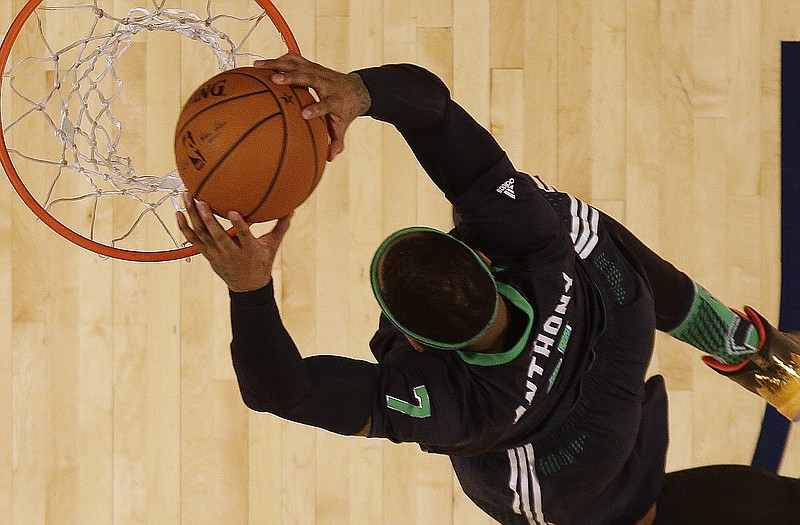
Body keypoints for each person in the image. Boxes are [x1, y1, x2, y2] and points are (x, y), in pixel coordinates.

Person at [176, 52, 800, 525]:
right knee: (580, 232)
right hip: (618, 323)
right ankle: (764, 358)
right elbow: (436, 112)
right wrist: (359, 93)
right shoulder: (521, 235)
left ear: (419, 346)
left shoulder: (454, 404)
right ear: (476, 255)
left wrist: (249, 285)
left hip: (575, 468)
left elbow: (279, 387)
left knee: (607, 512)